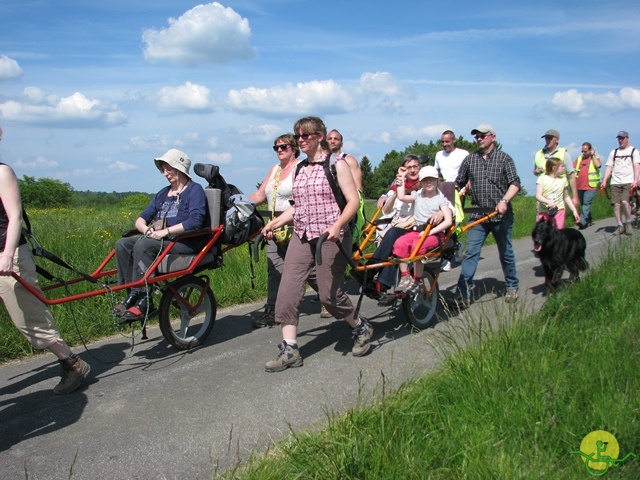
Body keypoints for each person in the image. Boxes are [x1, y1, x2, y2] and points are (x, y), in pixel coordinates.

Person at [261, 116, 371, 372]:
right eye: (298, 136)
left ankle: (360, 327)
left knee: (329, 296)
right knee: (288, 289)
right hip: (302, 234)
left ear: (319, 137)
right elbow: (298, 207)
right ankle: (289, 349)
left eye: (306, 135)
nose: (301, 140)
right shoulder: (300, 168)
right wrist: (275, 223)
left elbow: (352, 201)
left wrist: (336, 225)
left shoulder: (336, 164)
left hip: (330, 236)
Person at [0, 126, 90, 394]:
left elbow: (14, 217)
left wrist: (7, 254)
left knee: (29, 317)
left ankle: (72, 363)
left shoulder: (2, 172)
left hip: (9, 255)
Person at [114, 149, 207, 319]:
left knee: (144, 244)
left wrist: (165, 231)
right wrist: (146, 229)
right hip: (162, 241)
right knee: (123, 244)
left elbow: (195, 221)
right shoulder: (163, 193)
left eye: (168, 169)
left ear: (179, 168)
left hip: (185, 241)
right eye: (163, 169)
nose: (165, 173)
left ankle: (145, 300)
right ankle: (131, 294)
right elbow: (140, 219)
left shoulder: (195, 190)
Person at [248, 134, 319, 327]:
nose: (279, 150)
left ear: (293, 148)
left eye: (283, 146)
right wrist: (238, 202)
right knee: (274, 268)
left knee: (306, 269)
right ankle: (272, 310)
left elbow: (302, 201)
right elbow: (260, 195)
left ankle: (327, 294)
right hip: (273, 228)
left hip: (295, 226)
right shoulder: (274, 170)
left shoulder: (302, 168)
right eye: (276, 148)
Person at [451, 124, 521, 308]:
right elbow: (458, 183)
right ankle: (462, 294)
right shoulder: (470, 160)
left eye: (483, 136)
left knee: (505, 252)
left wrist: (504, 201)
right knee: (471, 254)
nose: (479, 139)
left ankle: (512, 286)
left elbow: (515, 184)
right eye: (477, 137)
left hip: (500, 216)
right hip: (477, 215)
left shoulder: (504, 159)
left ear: (493, 137)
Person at [364, 154, 422, 297]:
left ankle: (371, 270)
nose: (413, 170)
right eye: (409, 167)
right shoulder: (399, 185)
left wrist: (401, 188)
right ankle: (381, 284)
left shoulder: (424, 185)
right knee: (391, 240)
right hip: (399, 224)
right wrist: (396, 190)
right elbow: (386, 210)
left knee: (393, 234)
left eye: (416, 166)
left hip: (416, 226)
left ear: (421, 168)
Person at [392, 166, 453, 294]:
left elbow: (448, 221)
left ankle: (418, 280)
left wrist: (430, 232)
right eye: (425, 180)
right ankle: (405, 277)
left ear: (437, 181)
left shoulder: (440, 200)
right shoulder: (418, 196)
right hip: (417, 231)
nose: (428, 182)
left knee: (417, 246)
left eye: (431, 179)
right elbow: (401, 196)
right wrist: (402, 177)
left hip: (434, 233)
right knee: (399, 243)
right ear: (420, 183)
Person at [434, 130, 469, 271]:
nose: (445, 144)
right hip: (443, 191)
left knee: (453, 223)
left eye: (447, 141)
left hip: (458, 191)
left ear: (454, 140)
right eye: (443, 141)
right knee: (444, 223)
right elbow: (436, 174)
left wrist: (465, 187)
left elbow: (470, 173)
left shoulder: (463, 154)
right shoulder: (438, 155)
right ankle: (452, 249)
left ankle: (449, 255)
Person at [600, 131, 640, 235]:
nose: (620, 140)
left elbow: (636, 166)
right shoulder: (614, 152)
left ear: (628, 138)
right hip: (615, 182)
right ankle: (620, 225)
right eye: (619, 138)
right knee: (616, 205)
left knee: (625, 202)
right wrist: (604, 180)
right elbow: (609, 167)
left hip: (628, 181)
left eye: (622, 138)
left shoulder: (634, 151)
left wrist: (636, 180)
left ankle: (628, 223)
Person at [533, 129, 578, 209]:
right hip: (543, 194)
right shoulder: (539, 154)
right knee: (542, 220)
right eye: (546, 138)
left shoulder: (564, 154)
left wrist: (575, 196)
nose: (547, 140)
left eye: (550, 138)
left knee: (557, 219)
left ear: (557, 139)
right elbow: (534, 171)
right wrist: (536, 171)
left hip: (559, 194)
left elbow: (571, 176)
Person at [535, 157, 580, 229]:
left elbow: (566, 197)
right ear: (554, 168)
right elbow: (538, 196)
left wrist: (574, 210)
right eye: (562, 166)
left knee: (558, 232)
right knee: (545, 234)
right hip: (544, 211)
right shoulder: (542, 179)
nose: (564, 168)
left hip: (559, 210)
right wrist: (548, 202)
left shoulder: (563, 180)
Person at [574, 142, 602, 229]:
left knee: (586, 204)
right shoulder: (579, 159)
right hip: (579, 186)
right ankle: (588, 219)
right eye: (582, 151)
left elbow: (598, 165)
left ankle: (582, 221)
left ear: (590, 150)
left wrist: (593, 155)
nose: (583, 153)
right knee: (583, 205)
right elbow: (572, 169)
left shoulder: (595, 158)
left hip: (590, 187)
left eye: (585, 151)